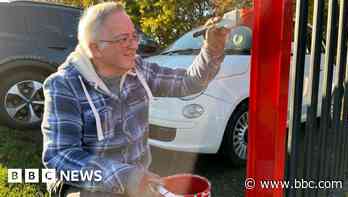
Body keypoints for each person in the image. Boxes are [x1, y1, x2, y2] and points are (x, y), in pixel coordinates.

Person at [41, 2, 233, 197]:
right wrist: (127, 178)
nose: (134, 45)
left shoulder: (138, 69)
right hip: (84, 185)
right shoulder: (64, 85)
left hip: (137, 180)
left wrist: (212, 48)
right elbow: (61, 156)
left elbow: (187, 83)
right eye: (123, 39)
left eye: (134, 36)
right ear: (96, 48)